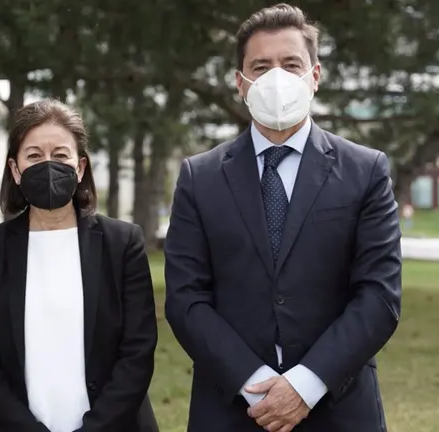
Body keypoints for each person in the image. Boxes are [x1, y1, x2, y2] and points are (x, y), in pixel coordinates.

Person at [164, 4, 401, 432]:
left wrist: (304, 386)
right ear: (241, 83)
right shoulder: (199, 178)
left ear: (315, 76)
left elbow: (379, 297)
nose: (277, 77)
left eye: (291, 64)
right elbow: (185, 300)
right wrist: (255, 383)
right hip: (232, 409)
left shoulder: (365, 170)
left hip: (340, 408)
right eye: (261, 66)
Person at [0, 99, 159, 432]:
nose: (48, 165)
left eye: (60, 155)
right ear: (15, 169)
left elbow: (137, 352)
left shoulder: (122, 244)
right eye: (35, 156)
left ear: (80, 167)